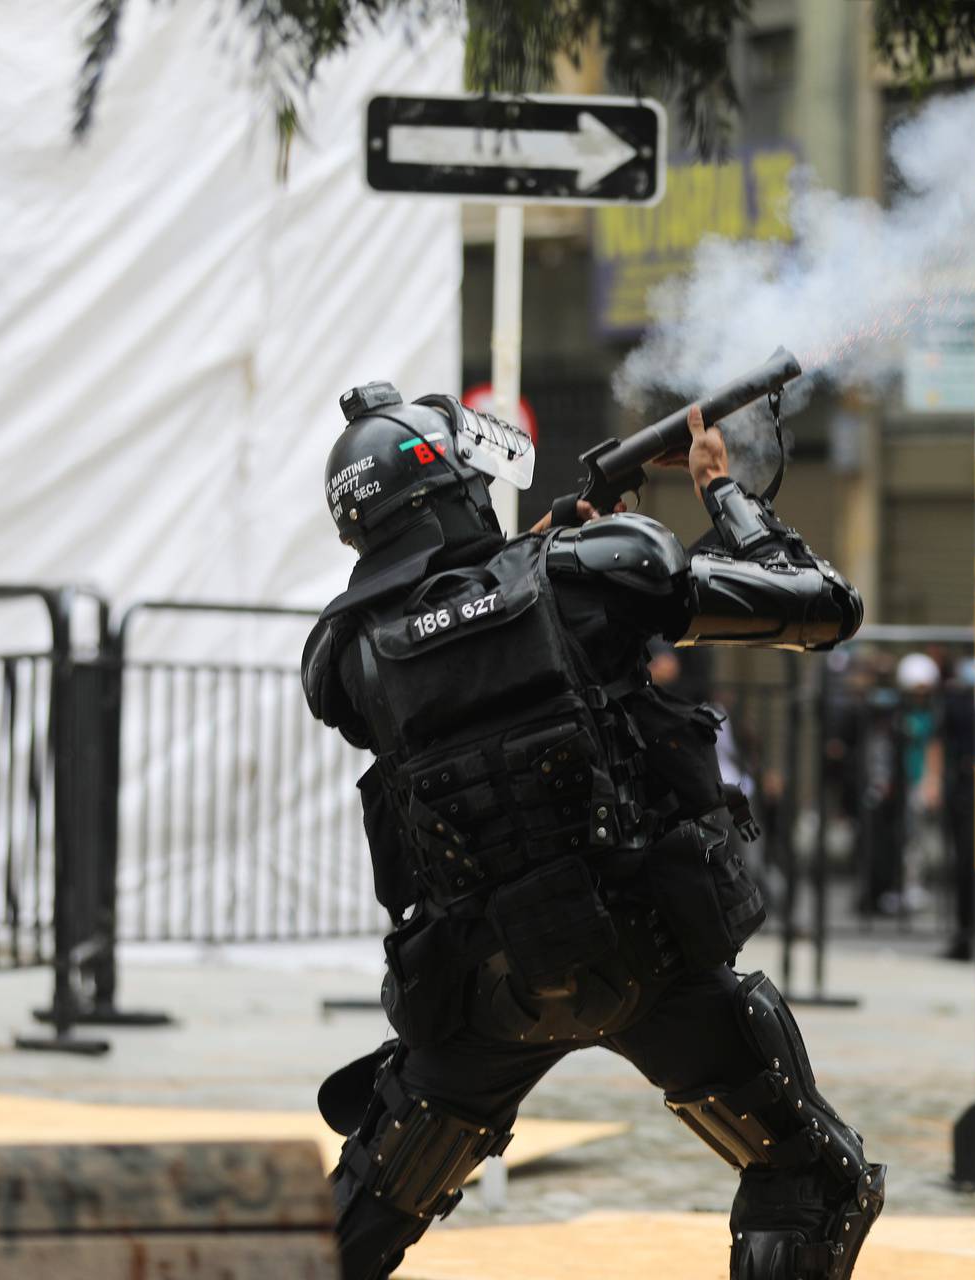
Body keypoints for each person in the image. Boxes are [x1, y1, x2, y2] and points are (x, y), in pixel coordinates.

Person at [301, 382, 883, 1280]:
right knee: (811, 1179)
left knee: (362, 1213)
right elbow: (820, 605)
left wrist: (546, 549)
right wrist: (729, 493)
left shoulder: (345, 657)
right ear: (456, 485)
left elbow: (457, 633)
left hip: (484, 986)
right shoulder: (585, 574)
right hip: (644, 952)